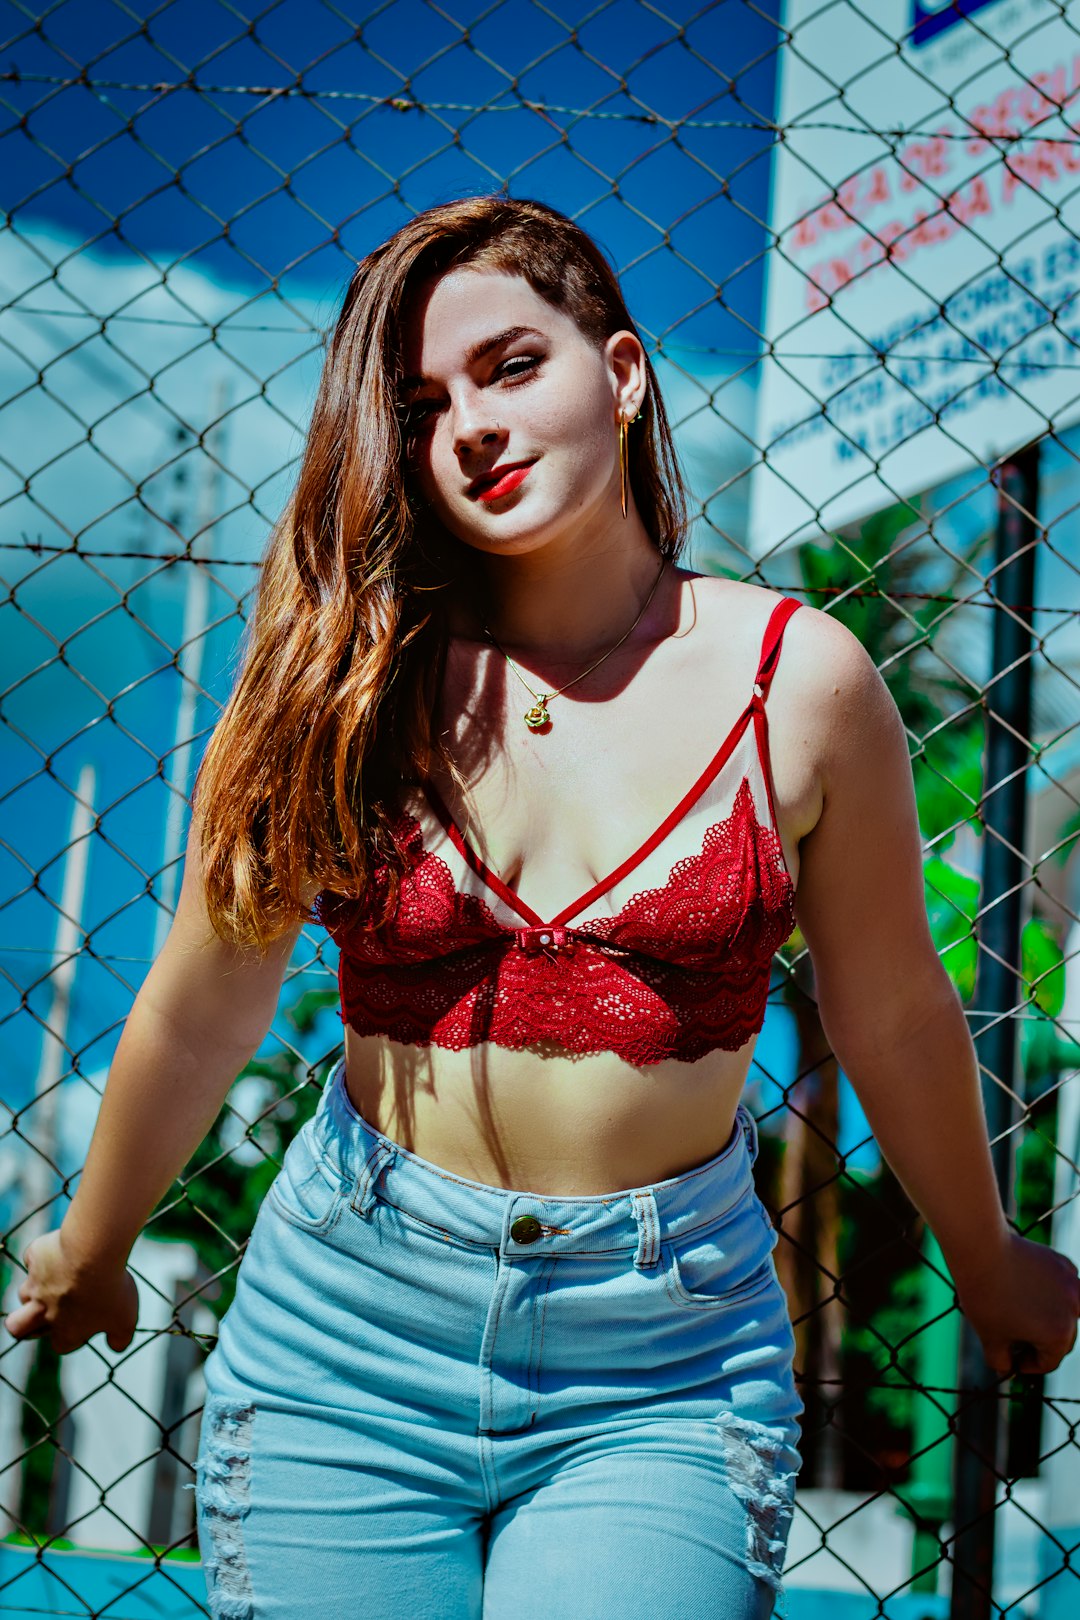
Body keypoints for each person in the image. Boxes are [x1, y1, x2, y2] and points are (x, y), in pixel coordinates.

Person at [5, 195, 1078, 1620]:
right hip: (349, 1337)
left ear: (625, 374)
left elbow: (889, 1011)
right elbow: (206, 1004)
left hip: (665, 1365)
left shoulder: (802, 683)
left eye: (513, 366)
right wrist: (90, 1246)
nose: (471, 424)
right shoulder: (344, 683)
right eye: (424, 401)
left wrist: (986, 1256)